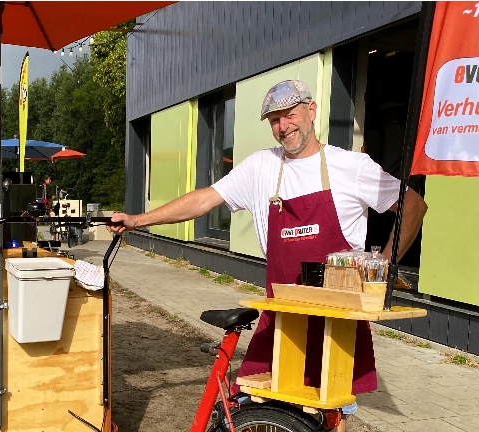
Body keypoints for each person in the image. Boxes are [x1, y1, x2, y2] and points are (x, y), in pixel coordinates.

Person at [107, 80, 428, 432]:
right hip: (281, 319)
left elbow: (412, 205)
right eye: (274, 120)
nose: (283, 126)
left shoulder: (350, 166)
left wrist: (382, 265)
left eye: (290, 115)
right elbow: (204, 200)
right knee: (258, 412)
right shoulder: (261, 167)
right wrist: (138, 220)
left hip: (334, 327)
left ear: (312, 111)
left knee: (330, 417)